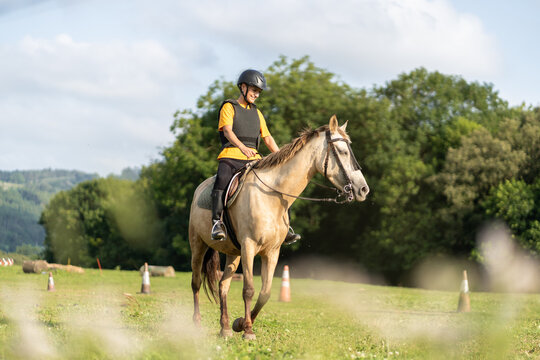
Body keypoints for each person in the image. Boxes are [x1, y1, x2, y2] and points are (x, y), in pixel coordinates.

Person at [211, 69, 301, 245]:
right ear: (243, 87)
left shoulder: (257, 113)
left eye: (258, 92)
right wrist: (242, 147)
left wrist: (283, 157)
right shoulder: (229, 107)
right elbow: (228, 131)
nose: (256, 95)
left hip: (254, 159)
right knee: (221, 178)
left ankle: (285, 226)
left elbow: (267, 138)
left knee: (279, 182)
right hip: (231, 155)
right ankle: (216, 223)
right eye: (254, 90)